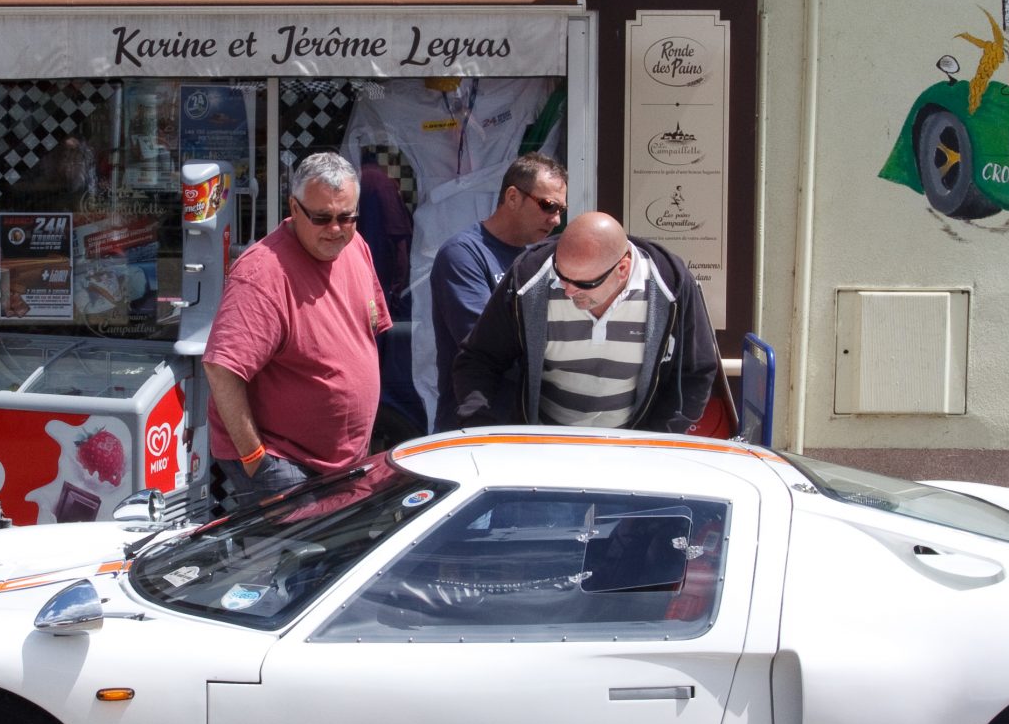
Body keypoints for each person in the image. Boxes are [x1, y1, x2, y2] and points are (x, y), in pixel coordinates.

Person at [202, 151, 391, 510]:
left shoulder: (356, 248)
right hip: (284, 461)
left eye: (346, 216)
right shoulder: (262, 274)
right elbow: (221, 368)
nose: (335, 229)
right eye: (321, 217)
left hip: (343, 461)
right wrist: (256, 459)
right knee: (304, 560)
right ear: (294, 207)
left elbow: (367, 331)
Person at [449, 210, 718, 434]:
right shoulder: (530, 278)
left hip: (633, 452)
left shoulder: (669, 284)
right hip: (543, 447)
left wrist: (658, 440)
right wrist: (480, 427)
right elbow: (479, 358)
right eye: (561, 274)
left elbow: (696, 371)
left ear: (622, 269)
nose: (567, 291)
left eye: (583, 283)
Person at [424, 153, 567, 430]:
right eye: (548, 206)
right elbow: (484, 345)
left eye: (561, 209)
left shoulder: (545, 258)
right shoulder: (464, 254)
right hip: (476, 425)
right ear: (513, 197)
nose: (556, 220)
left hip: (531, 425)